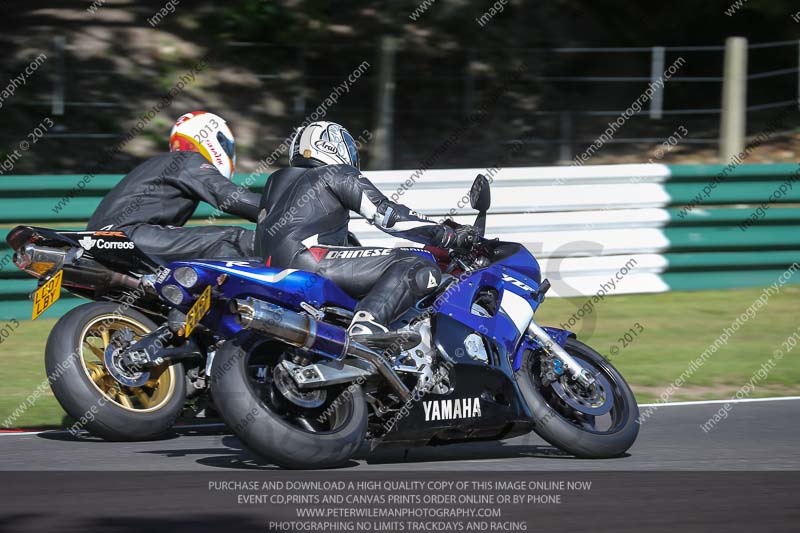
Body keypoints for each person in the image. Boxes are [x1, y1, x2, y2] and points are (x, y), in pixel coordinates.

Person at [255, 120, 477, 342]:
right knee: (417, 262)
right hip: (309, 260)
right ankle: (368, 324)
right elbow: (390, 217)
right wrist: (448, 235)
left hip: (269, 267)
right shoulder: (336, 172)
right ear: (333, 146)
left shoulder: (276, 181)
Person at [87, 111, 261, 261]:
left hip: (104, 240)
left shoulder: (165, 164)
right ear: (215, 140)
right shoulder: (187, 160)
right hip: (126, 235)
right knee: (233, 238)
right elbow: (230, 196)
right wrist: (278, 207)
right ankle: (232, 298)